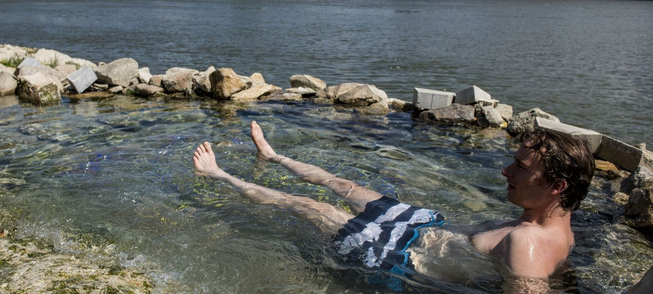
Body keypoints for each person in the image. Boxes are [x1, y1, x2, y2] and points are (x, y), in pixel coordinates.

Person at [191, 121, 595, 288]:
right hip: (423, 226)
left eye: (520, 167)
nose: (506, 171)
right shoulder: (557, 231)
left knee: (310, 206)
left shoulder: (528, 244)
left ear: (557, 186)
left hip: (402, 253)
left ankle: (220, 175)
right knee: (343, 185)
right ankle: (273, 156)